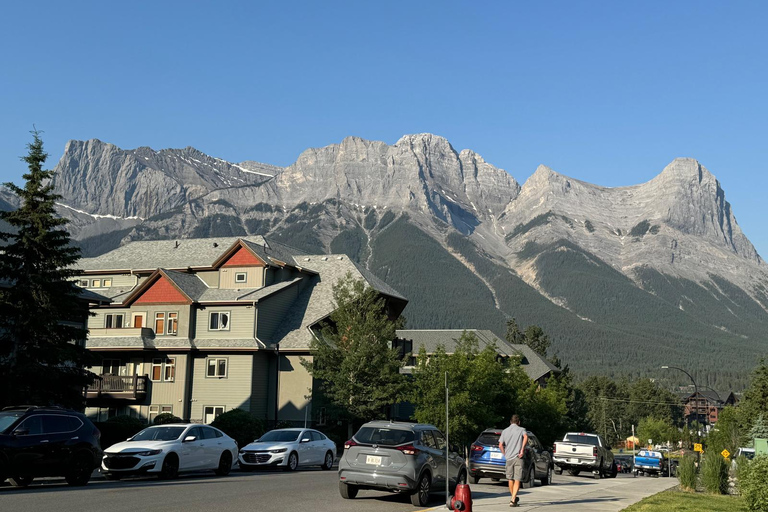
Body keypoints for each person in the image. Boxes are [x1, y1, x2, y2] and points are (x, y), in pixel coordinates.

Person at [499, 414, 528, 508]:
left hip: (509, 458)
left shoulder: (505, 431)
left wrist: (504, 454)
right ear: (518, 422)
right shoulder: (521, 429)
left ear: (510, 422)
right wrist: (522, 449)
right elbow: (526, 437)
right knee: (517, 479)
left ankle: (513, 498)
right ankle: (513, 499)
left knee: (510, 478)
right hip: (518, 457)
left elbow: (500, 445)